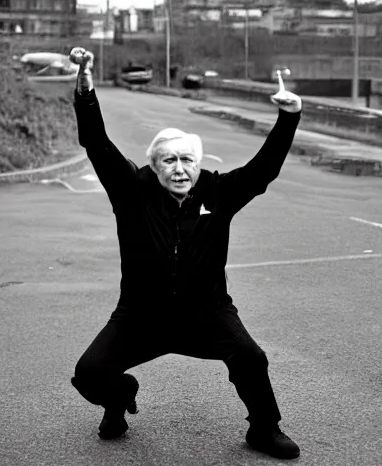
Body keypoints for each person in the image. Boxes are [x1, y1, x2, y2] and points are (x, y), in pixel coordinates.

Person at [66, 46, 304, 458]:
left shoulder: (218, 191)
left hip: (207, 312)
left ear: (198, 164)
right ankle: (119, 398)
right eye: (169, 161)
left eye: (187, 160)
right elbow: (97, 144)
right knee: (89, 374)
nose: (179, 168)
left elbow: (264, 170)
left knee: (250, 357)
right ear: (155, 167)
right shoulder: (132, 192)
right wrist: (85, 88)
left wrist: (289, 117)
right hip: (141, 314)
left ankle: (264, 429)